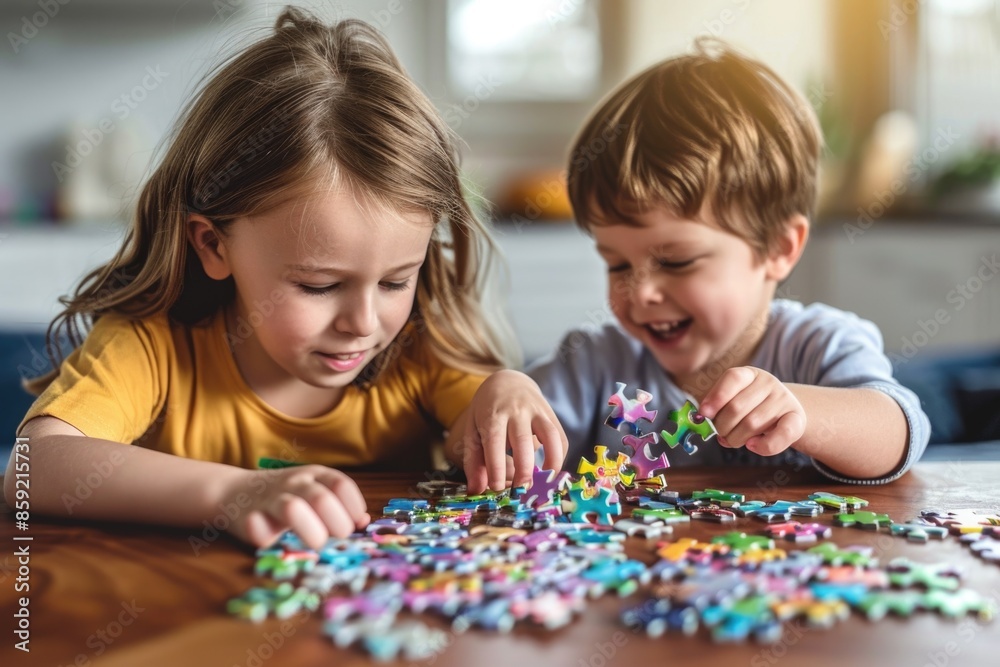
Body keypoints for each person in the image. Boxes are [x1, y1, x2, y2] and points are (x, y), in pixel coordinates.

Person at [4, 8, 566, 549]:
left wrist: (504, 390)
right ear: (213, 245)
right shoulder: (151, 344)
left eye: (396, 282)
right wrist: (232, 494)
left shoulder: (422, 350)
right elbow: (31, 469)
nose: (363, 323)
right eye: (320, 286)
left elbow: (479, 428)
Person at [528, 39, 929, 483]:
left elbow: (898, 432)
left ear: (778, 248)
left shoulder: (820, 345)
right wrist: (505, 394)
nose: (640, 292)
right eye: (617, 265)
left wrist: (801, 410)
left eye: (676, 261)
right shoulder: (591, 364)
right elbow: (504, 447)